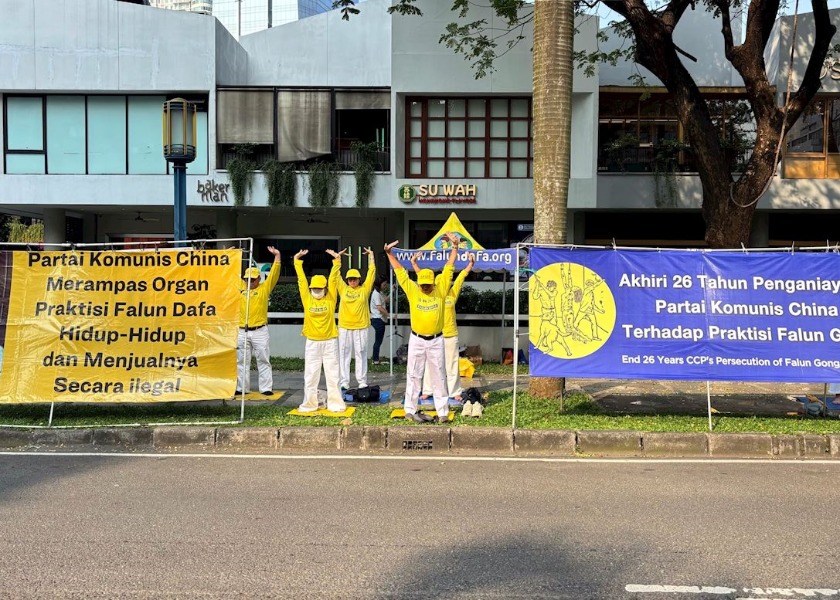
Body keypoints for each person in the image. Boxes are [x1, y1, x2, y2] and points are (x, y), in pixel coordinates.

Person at [384, 234, 460, 424]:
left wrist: (455, 248)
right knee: (413, 374)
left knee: (438, 376)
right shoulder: (412, 289)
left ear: (433, 283)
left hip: (436, 340)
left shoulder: (441, 287)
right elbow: (400, 271)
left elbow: (449, 268)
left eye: (428, 285)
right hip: (417, 339)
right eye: (422, 285)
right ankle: (409, 409)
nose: (425, 288)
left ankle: (442, 411)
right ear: (418, 282)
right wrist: (389, 254)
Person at [413, 251, 475, 402]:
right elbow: (423, 278)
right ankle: (428, 390)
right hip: (436, 335)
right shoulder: (433, 294)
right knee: (430, 363)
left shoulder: (452, 294)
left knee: (452, 364)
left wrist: (470, 265)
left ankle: (454, 391)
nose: (445, 285)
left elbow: (460, 278)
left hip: (450, 335)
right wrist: (414, 264)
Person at [294, 248, 346, 414]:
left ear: (325, 288)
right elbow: (301, 280)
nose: (316, 291)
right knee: (311, 375)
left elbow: (333, 279)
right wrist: (297, 260)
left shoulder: (331, 298)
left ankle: (336, 404)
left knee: (333, 375)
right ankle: (310, 404)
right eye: (314, 289)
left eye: (319, 288)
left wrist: (336, 261)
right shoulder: (307, 297)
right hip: (312, 341)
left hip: (330, 341)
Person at [237, 246, 280, 395]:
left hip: (260, 330)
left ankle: (266, 388)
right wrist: (227, 255)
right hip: (242, 329)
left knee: (263, 359)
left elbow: (274, 274)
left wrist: (277, 256)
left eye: (252, 279)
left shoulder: (264, 288)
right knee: (241, 361)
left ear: (259, 279)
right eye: (246, 279)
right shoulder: (240, 287)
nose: (249, 282)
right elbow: (228, 273)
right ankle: (242, 388)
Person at [336, 247, 376, 391]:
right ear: (347, 280)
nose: (353, 281)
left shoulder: (365, 289)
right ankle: (344, 381)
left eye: (355, 278)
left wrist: (371, 256)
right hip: (345, 327)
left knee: (361, 353)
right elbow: (335, 276)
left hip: (361, 327)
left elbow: (371, 273)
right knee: (344, 354)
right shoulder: (343, 288)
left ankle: (362, 381)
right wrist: (337, 260)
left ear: (359, 279)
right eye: (350, 279)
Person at [369, 279, 389, 365]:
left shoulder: (379, 292)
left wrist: (392, 290)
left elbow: (386, 300)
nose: (385, 287)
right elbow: (379, 308)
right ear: (379, 284)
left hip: (379, 319)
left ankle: (376, 358)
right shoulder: (376, 294)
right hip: (378, 319)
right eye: (384, 285)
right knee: (378, 341)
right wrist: (388, 314)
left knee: (378, 341)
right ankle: (375, 360)